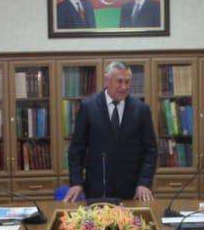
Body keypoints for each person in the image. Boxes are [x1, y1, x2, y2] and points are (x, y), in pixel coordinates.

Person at [64, 61, 158, 202]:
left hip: (132, 191)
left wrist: (144, 183)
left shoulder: (141, 109)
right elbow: (77, 149)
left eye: (127, 82)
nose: (124, 87)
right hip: (97, 189)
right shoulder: (88, 107)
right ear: (107, 80)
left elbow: (150, 150)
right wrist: (76, 181)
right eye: (119, 81)